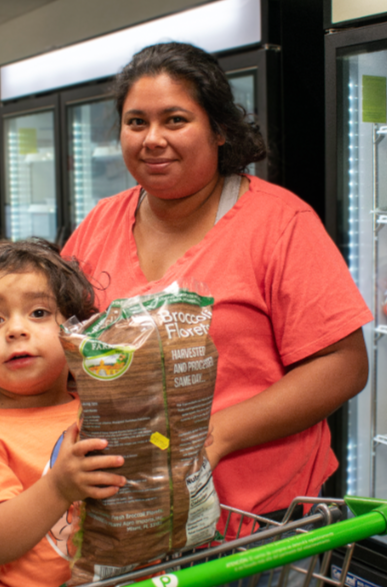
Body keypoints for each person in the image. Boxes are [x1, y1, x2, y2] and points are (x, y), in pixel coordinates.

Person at [61, 42, 372, 537]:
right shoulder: (101, 221)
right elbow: (50, 328)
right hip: (129, 516)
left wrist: (216, 435)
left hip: (255, 524)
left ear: (220, 129)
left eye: (175, 120)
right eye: (136, 122)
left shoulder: (280, 223)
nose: (152, 139)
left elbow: (344, 364)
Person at [0, 239, 126, 587]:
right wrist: (59, 487)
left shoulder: (100, 406)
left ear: (74, 330)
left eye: (39, 313)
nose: (16, 330)